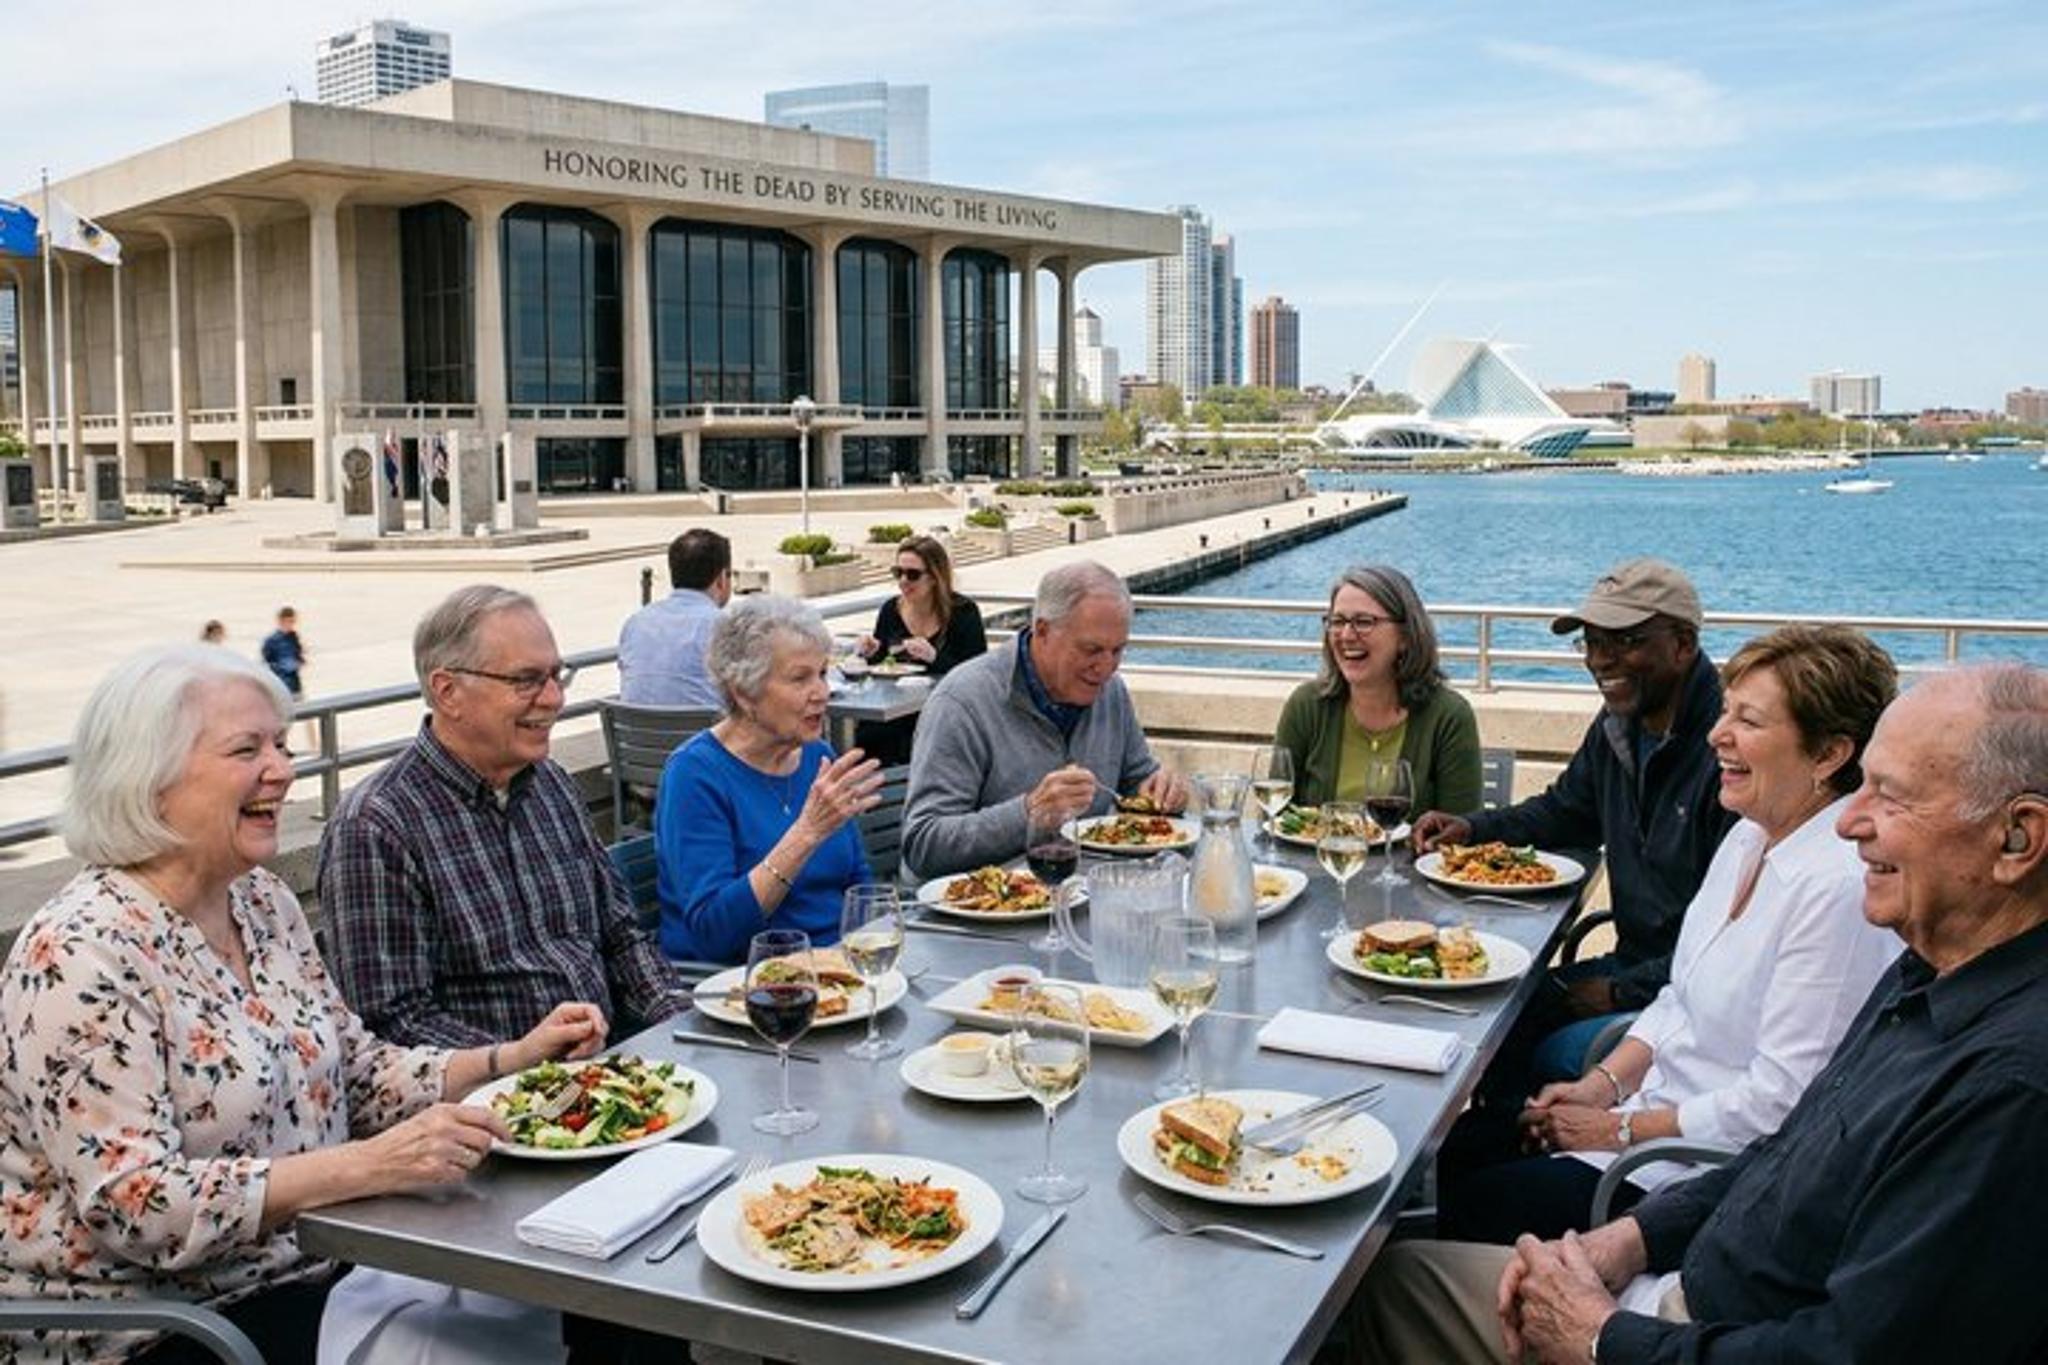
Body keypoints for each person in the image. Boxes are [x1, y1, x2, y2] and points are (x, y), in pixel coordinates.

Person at [1347, 663, 2048, 1365]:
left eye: (1889, 796)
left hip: (1684, 1326)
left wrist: (1600, 1335)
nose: (1851, 820)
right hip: (1678, 1277)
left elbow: (1843, 1350)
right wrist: (1631, 1238)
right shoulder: (1929, 972)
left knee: (1381, 1283)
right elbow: (1784, 1151)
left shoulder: (2007, 1091)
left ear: (2018, 838)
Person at [0, 645, 604, 1364]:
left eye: (282, 744)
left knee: (571, 1294)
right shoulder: (79, 950)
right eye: (246, 748)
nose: (283, 768)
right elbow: (139, 1207)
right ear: (148, 779)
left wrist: (510, 1059)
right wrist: (368, 1165)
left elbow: (355, 1067)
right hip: (161, 1327)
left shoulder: (260, 900)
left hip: (312, 1268)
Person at [1436, 624, 1900, 1244]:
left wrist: (1619, 1131)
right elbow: (1677, 998)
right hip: (1642, 1118)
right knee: (1453, 1148)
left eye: (1750, 722)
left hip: (1685, 1177)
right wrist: (1599, 1087)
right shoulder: (1749, 837)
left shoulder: (1836, 889)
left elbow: (1779, 1106)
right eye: (1725, 710)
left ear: (1828, 755)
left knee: (1458, 1202)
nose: (1717, 734)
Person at [1412, 558, 1737, 1091]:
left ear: (1682, 644)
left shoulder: (1728, 753)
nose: (1600, 660)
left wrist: (1617, 993)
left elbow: (1732, 945)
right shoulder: (1620, 724)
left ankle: (1513, 1156)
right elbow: (1566, 811)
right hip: (1635, 969)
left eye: (1624, 641)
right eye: (1590, 642)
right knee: (1484, 1006)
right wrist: (1472, 829)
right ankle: (1493, 1146)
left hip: (1681, 1002)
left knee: (1506, 1031)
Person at [319, 585, 686, 1047]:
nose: (554, 698)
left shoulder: (550, 784)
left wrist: (680, 1026)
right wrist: (525, 1063)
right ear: (448, 691)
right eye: (527, 680)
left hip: (614, 1073)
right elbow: (391, 1023)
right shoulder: (376, 825)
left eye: (556, 675)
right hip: (490, 1106)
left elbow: (622, 937)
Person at [903, 560, 1188, 878]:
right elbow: (922, 844)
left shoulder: (1111, 691)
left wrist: (1163, 792)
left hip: (1083, 898)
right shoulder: (962, 702)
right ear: (1043, 631)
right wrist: (1030, 812)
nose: (1106, 668)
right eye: (1091, 650)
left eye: (1118, 651)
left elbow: (1137, 783)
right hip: (981, 915)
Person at [654, 596, 883, 964]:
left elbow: (859, 886)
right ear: (744, 693)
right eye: (800, 678)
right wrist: (805, 834)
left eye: (823, 673)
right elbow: (714, 932)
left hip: (840, 970)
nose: (821, 693)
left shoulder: (818, 756)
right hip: (753, 987)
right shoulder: (694, 775)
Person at [1275, 564, 1481, 814]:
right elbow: (1275, 816)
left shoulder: (1448, 716)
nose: (1347, 635)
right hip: (1316, 855)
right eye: (1337, 621)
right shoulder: (1307, 705)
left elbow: (1459, 835)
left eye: (1364, 622)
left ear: (1405, 636)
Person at [851, 534, 987, 765]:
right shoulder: (891, 610)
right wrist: (872, 652)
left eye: (912, 574)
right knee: (868, 738)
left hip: (944, 712)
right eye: (898, 573)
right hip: (893, 713)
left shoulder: (963, 612)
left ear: (935, 577)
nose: (903, 581)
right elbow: (885, 665)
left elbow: (977, 674)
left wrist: (934, 657)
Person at [617, 527, 731, 708]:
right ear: (721, 579)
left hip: (635, 735)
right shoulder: (725, 628)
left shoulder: (636, 623)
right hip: (701, 734)